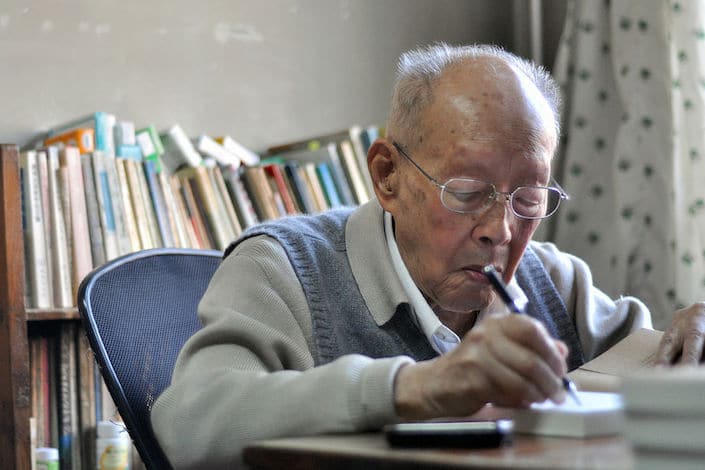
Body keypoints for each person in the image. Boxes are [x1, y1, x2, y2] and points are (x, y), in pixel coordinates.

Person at [151, 43, 705, 468]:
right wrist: (416, 388)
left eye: (530, 199)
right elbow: (191, 425)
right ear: (387, 176)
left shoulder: (553, 282)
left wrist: (691, 348)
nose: (502, 230)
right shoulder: (282, 269)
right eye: (466, 193)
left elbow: (657, 372)